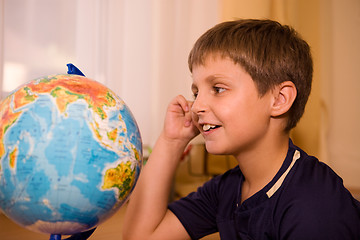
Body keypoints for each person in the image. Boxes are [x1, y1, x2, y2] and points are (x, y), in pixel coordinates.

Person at [122, 19, 360, 240]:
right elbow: (141, 236)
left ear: (278, 99)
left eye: (218, 88)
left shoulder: (314, 206)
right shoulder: (228, 188)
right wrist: (171, 141)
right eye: (196, 93)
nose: (197, 106)